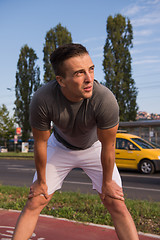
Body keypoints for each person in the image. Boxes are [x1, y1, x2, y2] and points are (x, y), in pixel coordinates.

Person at [13, 43, 139, 240]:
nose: (89, 79)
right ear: (61, 80)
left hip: (94, 148)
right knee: (36, 200)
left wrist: (107, 182)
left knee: (115, 201)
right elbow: (40, 143)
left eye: (91, 69)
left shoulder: (105, 99)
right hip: (60, 147)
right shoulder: (42, 99)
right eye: (79, 73)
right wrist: (42, 182)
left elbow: (108, 145)